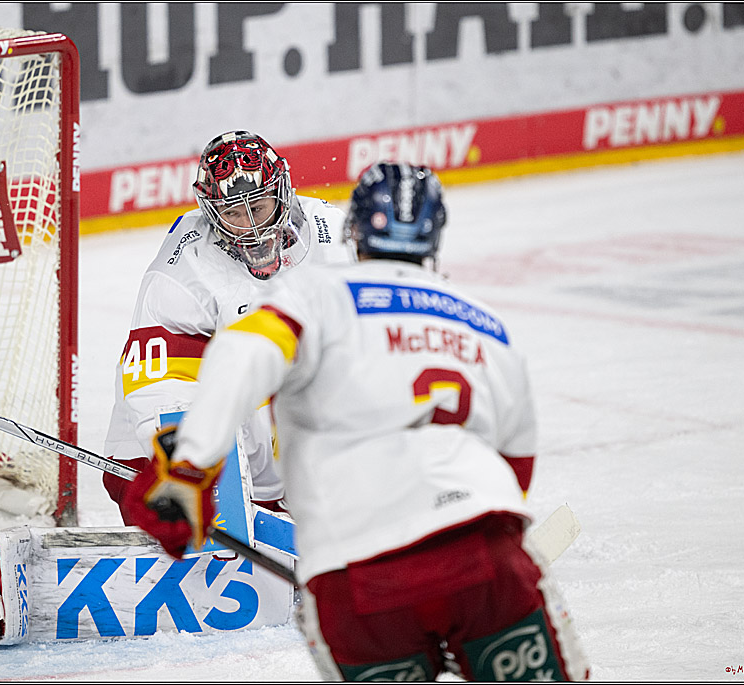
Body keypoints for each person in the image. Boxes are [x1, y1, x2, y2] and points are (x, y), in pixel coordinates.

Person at [123, 162, 590, 681]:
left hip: (356, 576)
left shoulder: (311, 293)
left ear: (354, 232)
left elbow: (239, 354)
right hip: (482, 558)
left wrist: (188, 468)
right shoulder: (485, 323)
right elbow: (516, 465)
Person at [101, 130, 348, 519]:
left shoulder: (335, 234)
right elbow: (159, 384)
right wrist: (188, 467)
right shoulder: (184, 268)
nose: (250, 226)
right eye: (233, 213)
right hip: (180, 451)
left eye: (259, 207)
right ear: (211, 212)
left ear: (282, 193)